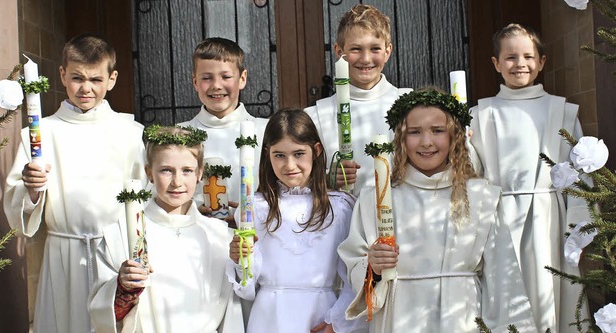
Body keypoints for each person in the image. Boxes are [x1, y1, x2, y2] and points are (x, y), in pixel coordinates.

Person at [338, 89, 537, 332]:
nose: (426, 142)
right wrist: (374, 267)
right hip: (400, 318)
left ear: (454, 136)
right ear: (400, 138)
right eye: (414, 132)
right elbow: (356, 268)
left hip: (463, 319)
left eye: (437, 130)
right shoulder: (376, 198)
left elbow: (503, 280)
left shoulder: (481, 197)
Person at [3, 34, 146, 333]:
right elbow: (18, 201)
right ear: (62, 75)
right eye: (77, 77)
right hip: (62, 255)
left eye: (95, 79)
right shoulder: (43, 133)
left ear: (112, 78)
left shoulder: (130, 132)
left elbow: (143, 201)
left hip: (113, 255)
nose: (86, 88)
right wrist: (31, 188)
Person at [468, 23, 589, 332]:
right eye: (509, 57)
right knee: (505, 301)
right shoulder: (481, 114)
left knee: (547, 295)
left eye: (527, 56)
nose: (519, 64)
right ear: (495, 63)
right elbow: (470, 174)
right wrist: (462, 141)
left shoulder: (561, 112)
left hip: (548, 220)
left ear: (542, 62)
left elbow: (578, 174)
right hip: (500, 219)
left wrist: (578, 229)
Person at [89, 125, 244, 333]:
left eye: (187, 171)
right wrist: (123, 288)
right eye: (166, 170)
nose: (177, 182)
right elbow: (104, 316)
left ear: (200, 174)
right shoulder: (120, 235)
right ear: (149, 173)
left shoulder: (218, 235)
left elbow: (233, 311)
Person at [227, 109, 367, 333]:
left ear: (316, 151)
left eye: (299, 153)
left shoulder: (339, 207)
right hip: (269, 317)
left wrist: (337, 322)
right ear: (267, 154)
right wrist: (240, 259)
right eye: (279, 155)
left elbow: (354, 276)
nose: (289, 165)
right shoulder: (255, 208)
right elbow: (246, 289)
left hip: (320, 315)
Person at [305, 4, 412, 196]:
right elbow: (296, 177)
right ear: (339, 52)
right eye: (355, 49)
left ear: (387, 52)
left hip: (401, 216)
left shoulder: (410, 104)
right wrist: (326, 178)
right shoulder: (316, 116)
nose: (365, 58)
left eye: (375, 49)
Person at [177, 37, 268, 225]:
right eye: (206, 78)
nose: (216, 85)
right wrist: (193, 208)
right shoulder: (180, 134)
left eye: (226, 77)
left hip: (255, 235)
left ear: (242, 78)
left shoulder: (265, 130)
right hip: (200, 236)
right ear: (195, 82)